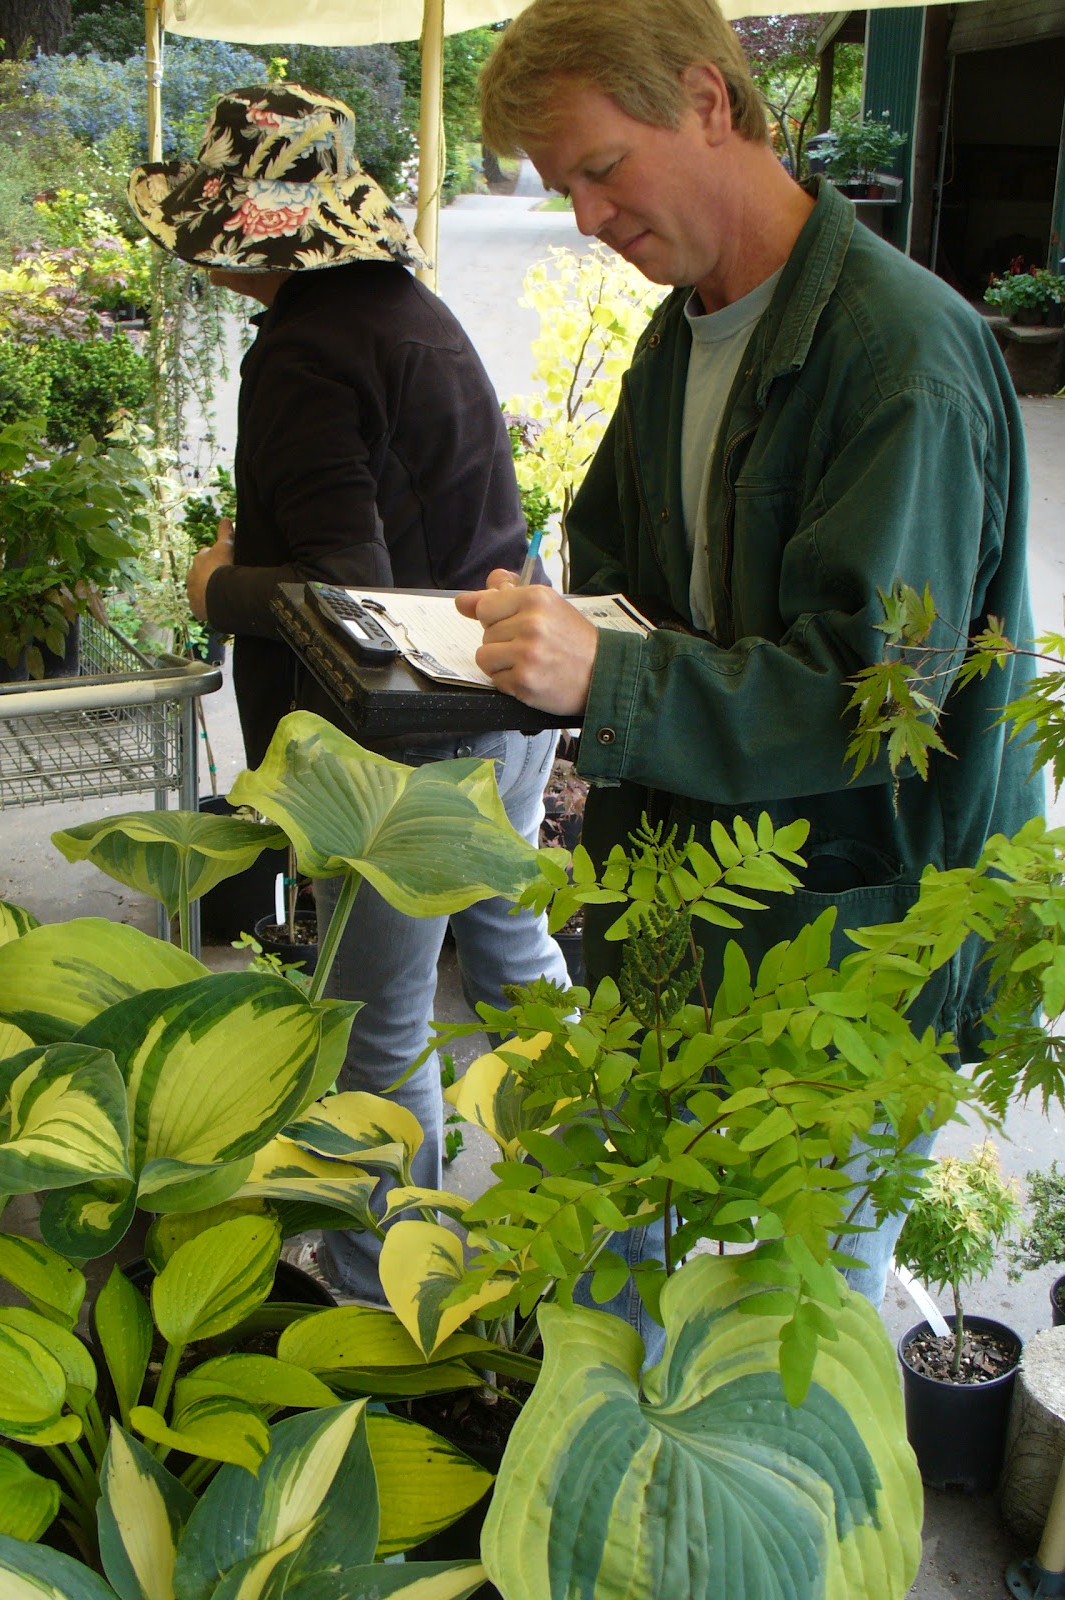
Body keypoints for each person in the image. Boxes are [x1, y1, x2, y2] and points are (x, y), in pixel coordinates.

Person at [457, 0, 1044, 1323]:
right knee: (629, 1293)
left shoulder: (903, 355)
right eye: (565, 193)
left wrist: (604, 682)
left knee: (795, 1337)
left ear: (711, 101)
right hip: (694, 914)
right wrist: (527, 624)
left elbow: (874, 703)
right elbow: (630, 577)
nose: (589, 220)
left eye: (603, 171)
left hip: (853, 952)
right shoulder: (689, 325)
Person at [128, 83, 568, 1304]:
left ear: (253, 235)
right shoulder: (407, 311)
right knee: (510, 946)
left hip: (403, 748)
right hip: (503, 693)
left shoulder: (306, 353)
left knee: (376, 1016)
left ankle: (382, 1281)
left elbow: (346, 595)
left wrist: (221, 582)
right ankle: (597, 1204)